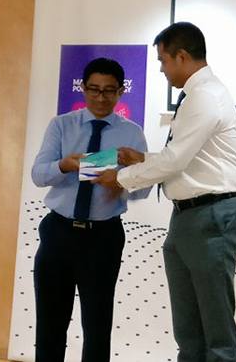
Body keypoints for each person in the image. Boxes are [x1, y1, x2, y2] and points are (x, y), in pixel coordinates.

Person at [95, 22, 236, 362]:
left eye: (163, 60)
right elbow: (186, 159)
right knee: (189, 330)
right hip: (189, 217)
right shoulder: (197, 95)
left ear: (181, 56)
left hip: (209, 216)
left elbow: (176, 160)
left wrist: (121, 178)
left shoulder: (205, 96)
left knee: (216, 333)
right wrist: (143, 159)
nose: (162, 69)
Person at [31, 57, 151, 362]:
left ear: (121, 91)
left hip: (103, 237)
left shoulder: (132, 133)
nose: (100, 97)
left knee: (97, 328)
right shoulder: (61, 125)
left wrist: (122, 181)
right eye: (94, 89)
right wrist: (65, 165)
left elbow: (144, 189)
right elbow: (38, 175)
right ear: (83, 88)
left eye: (109, 90)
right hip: (58, 233)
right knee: (50, 326)